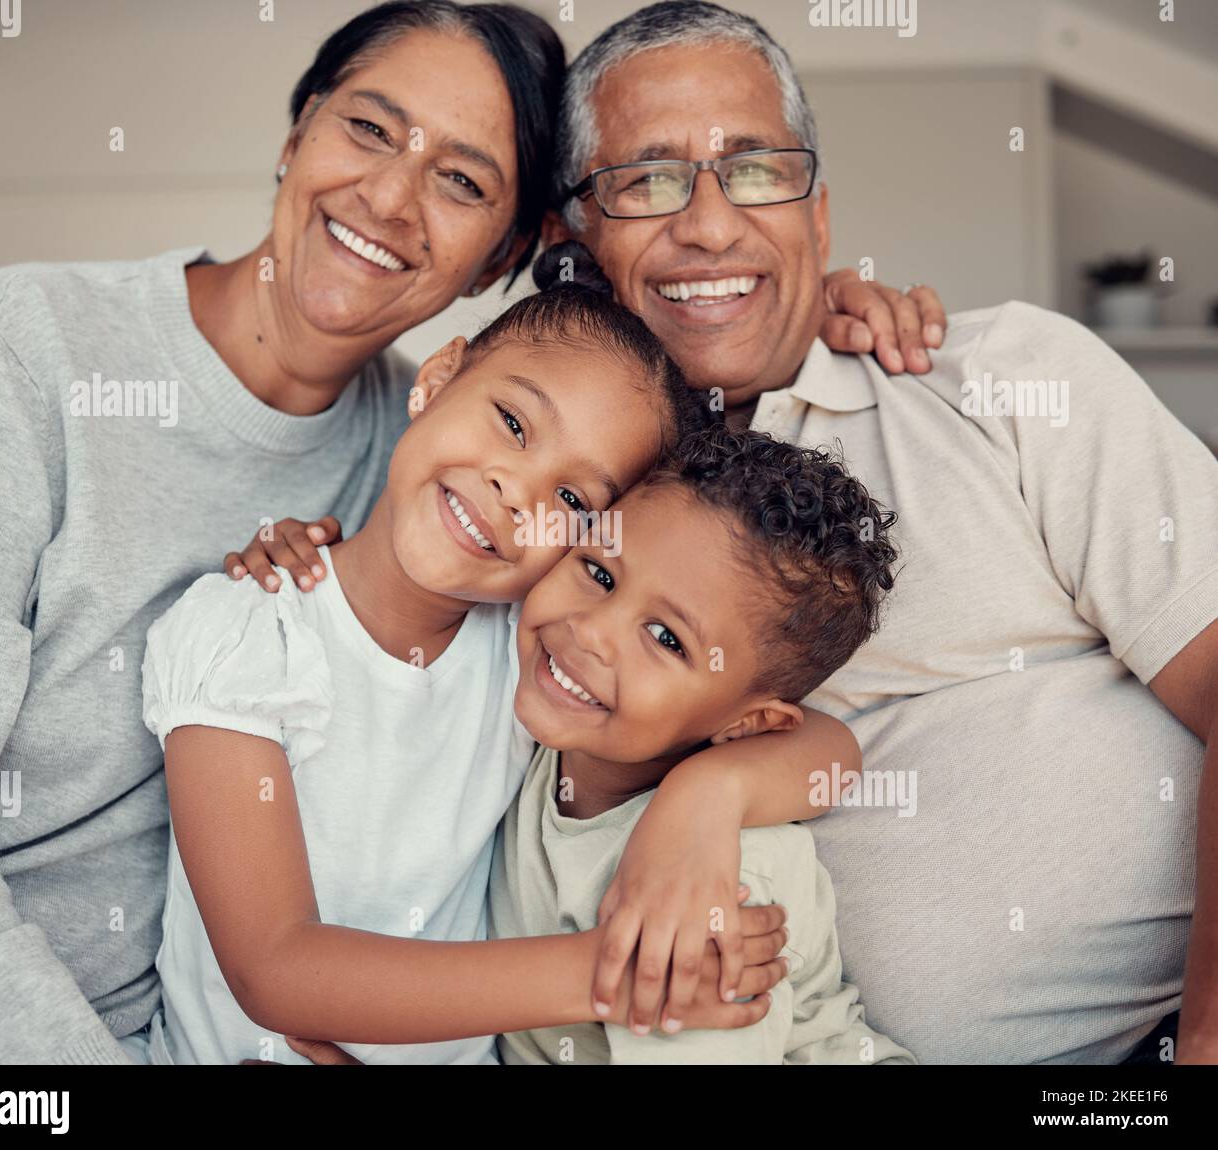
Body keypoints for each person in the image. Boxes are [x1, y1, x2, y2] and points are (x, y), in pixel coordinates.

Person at [0, 0, 943, 1064]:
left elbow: (750, 692)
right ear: (297, 132)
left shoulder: (473, 505)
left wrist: (800, 311)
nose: (390, 196)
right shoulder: (26, 352)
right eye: (367, 128)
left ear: (512, 249)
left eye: (462, 180)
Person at [245, 0, 1218, 1063]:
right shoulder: (570, 494)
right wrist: (304, 559)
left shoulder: (1009, 383)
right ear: (572, 239)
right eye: (649, 179)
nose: (710, 225)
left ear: (819, 215)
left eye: (754, 169)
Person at [142, 251, 849, 1064]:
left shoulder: (536, 649)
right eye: (513, 424)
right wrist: (610, 974)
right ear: (439, 377)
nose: (516, 489)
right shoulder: (248, 633)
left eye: (573, 501)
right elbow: (275, 970)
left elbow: (826, 746)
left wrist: (706, 800)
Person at [494, 423, 914, 1065]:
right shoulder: (542, 716)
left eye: (666, 639)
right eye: (601, 574)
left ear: (747, 725)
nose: (591, 632)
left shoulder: (725, 889)